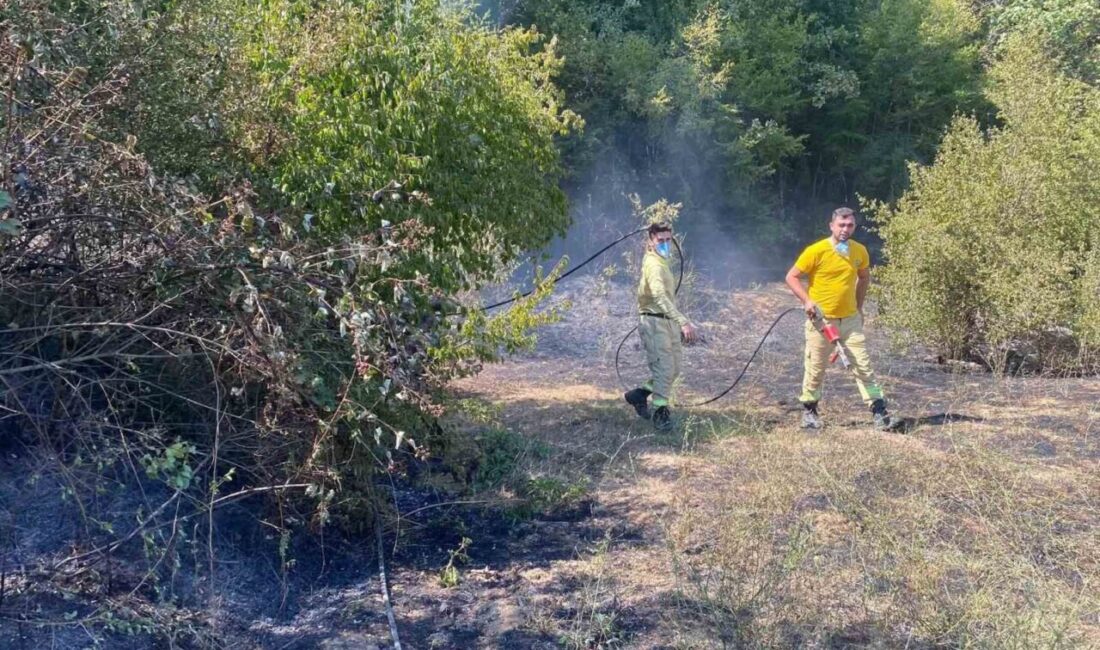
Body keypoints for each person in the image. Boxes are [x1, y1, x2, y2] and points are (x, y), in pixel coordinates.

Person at [784, 207, 898, 431]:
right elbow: (791, 276)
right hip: (821, 321)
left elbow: (864, 277)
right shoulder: (816, 250)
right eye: (841, 225)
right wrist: (807, 301)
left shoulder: (859, 251)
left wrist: (859, 306)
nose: (846, 230)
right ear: (832, 226)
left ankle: (880, 413)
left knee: (863, 365)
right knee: (816, 367)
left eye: (850, 225)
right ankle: (809, 412)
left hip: (851, 320)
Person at [624, 223, 697, 430]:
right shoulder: (653, 265)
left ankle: (639, 395)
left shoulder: (662, 262)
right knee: (664, 369)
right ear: (651, 240)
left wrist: (676, 320)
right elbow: (658, 295)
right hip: (655, 322)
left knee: (673, 369)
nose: (665, 244)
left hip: (667, 321)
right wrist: (683, 320)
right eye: (660, 240)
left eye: (668, 240)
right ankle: (661, 414)